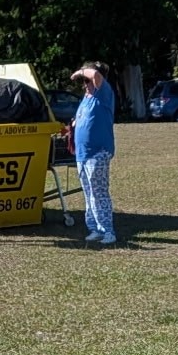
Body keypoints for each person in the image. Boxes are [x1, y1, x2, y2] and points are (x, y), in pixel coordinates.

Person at [69, 61, 116, 245]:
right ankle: (95, 228)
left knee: (99, 193)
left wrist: (80, 71)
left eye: (87, 81)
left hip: (98, 152)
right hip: (83, 154)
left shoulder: (103, 94)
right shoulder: (87, 98)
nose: (85, 84)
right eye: (84, 81)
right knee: (88, 194)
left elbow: (96, 76)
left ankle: (108, 231)